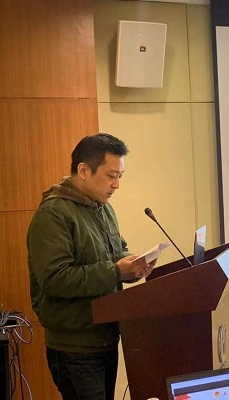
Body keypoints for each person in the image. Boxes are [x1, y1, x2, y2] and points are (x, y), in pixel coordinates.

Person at [27, 133, 155, 400]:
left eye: (120, 176)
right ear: (84, 170)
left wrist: (135, 264)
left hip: (106, 336)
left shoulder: (103, 208)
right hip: (75, 347)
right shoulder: (53, 214)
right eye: (111, 176)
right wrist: (116, 271)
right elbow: (55, 279)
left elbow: (116, 253)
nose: (117, 185)